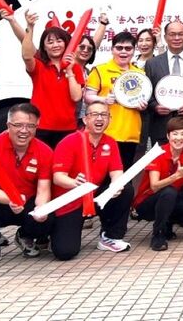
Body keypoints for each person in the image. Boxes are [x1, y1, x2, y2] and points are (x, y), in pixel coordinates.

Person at [0, 102, 53, 267]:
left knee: (48, 216)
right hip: (1, 201)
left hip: (27, 202)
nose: (24, 131)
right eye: (18, 125)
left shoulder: (45, 151)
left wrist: (41, 209)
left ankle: (24, 235)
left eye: (30, 126)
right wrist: (12, 199)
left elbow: (43, 189)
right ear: (8, 125)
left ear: (37, 126)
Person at [50, 102, 134, 259]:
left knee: (125, 189)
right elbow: (58, 177)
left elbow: (116, 171)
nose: (99, 118)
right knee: (65, 252)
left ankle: (110, 237)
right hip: (71, 199)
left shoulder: (110, 142)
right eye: (94, 114)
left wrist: (116, 186)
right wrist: (74, 183)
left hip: (94, 195)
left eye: (104, 115)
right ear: (85, 119)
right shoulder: (70, 141)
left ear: (109, 119)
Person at [132, 117, 183, 251]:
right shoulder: (157, 153)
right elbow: (154, 186)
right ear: (168, 136)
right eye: (175, 134)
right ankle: (158, 234)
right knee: (169, 192)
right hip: (146, 202)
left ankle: (167, 223)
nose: (179, 138)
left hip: (169, 199)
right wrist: (176, 176)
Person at [20, 11, 85, 150]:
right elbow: (26, 56)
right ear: (44, 47)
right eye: (50, 42)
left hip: (67, 128)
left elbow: (76, 97)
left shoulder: (75, 67)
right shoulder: (39, 65)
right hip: (40, 127)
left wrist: (69, 71)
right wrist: (30, 27)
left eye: (59, 41)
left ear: (66, 43)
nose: (55, 45)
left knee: (63, 162)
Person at [84, 31, 146, 167]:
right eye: (119, 48)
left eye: (128, 48)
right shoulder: (100, 70)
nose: (123, 52)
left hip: (130, 133)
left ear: (134, 51)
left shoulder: (140, 74)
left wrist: (142, 106)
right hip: (104, 131)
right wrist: (103, 99)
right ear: (112, 49)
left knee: (123, 175)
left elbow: (143, 99)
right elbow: (87, 97)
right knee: (100, 174)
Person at [145, 20, 183, 146]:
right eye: (172, 34)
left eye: (181, 34)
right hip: (161, 127)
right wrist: (155, 106)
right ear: (165, 37)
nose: (177, 38)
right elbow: (147, 93)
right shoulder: (152, 63)